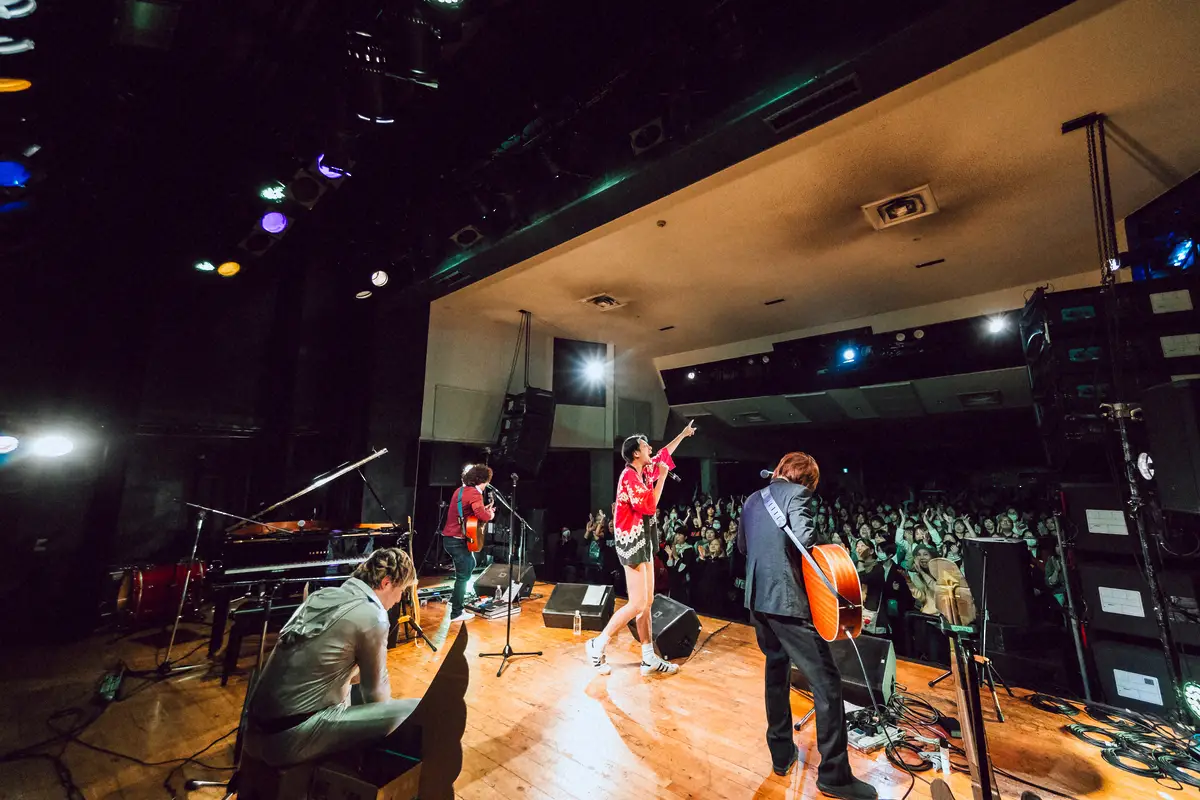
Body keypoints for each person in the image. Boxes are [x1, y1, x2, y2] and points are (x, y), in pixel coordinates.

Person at [738, 452, 876, 800]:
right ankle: (834, 776)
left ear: (782, 470)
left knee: (776, 672)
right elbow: (806, 539)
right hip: (788, 603)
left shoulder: (753, 500)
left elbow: (742, 546)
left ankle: (781, 754)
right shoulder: (799, 496)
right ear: (808, 481)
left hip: (758, 601)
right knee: (827, 683)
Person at [243, 548, 420, 766]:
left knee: (353, 695)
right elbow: (376, 696)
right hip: (288, 739)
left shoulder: (323, 595)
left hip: (254, 731)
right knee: (417, 709)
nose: (399, 598)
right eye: (401, 590)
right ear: (386, 583)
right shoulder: (373, 615)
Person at [584, 420, 696, 677]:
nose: (650, 450)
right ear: (636, 453)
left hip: (644, 540)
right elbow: (649, 506)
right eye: (646, 447)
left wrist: (683, 434)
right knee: (637, 603)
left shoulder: (644, 472)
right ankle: (597, 644)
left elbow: (664, 455)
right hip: (632, 541)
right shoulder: (629, 476)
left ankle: (648, 658)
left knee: (647, 602)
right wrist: (664, 478)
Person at [441, 463, 496, 622]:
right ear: (483, 480)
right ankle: (456, 612)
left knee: (470, 564)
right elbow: (482, 516)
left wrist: (482, 510)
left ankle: (453, 602)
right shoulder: (475, 493)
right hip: (458, 541)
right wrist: (490, 515)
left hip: (449, 538)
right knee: (463, 575)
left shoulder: (460, 491)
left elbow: (468, 513)